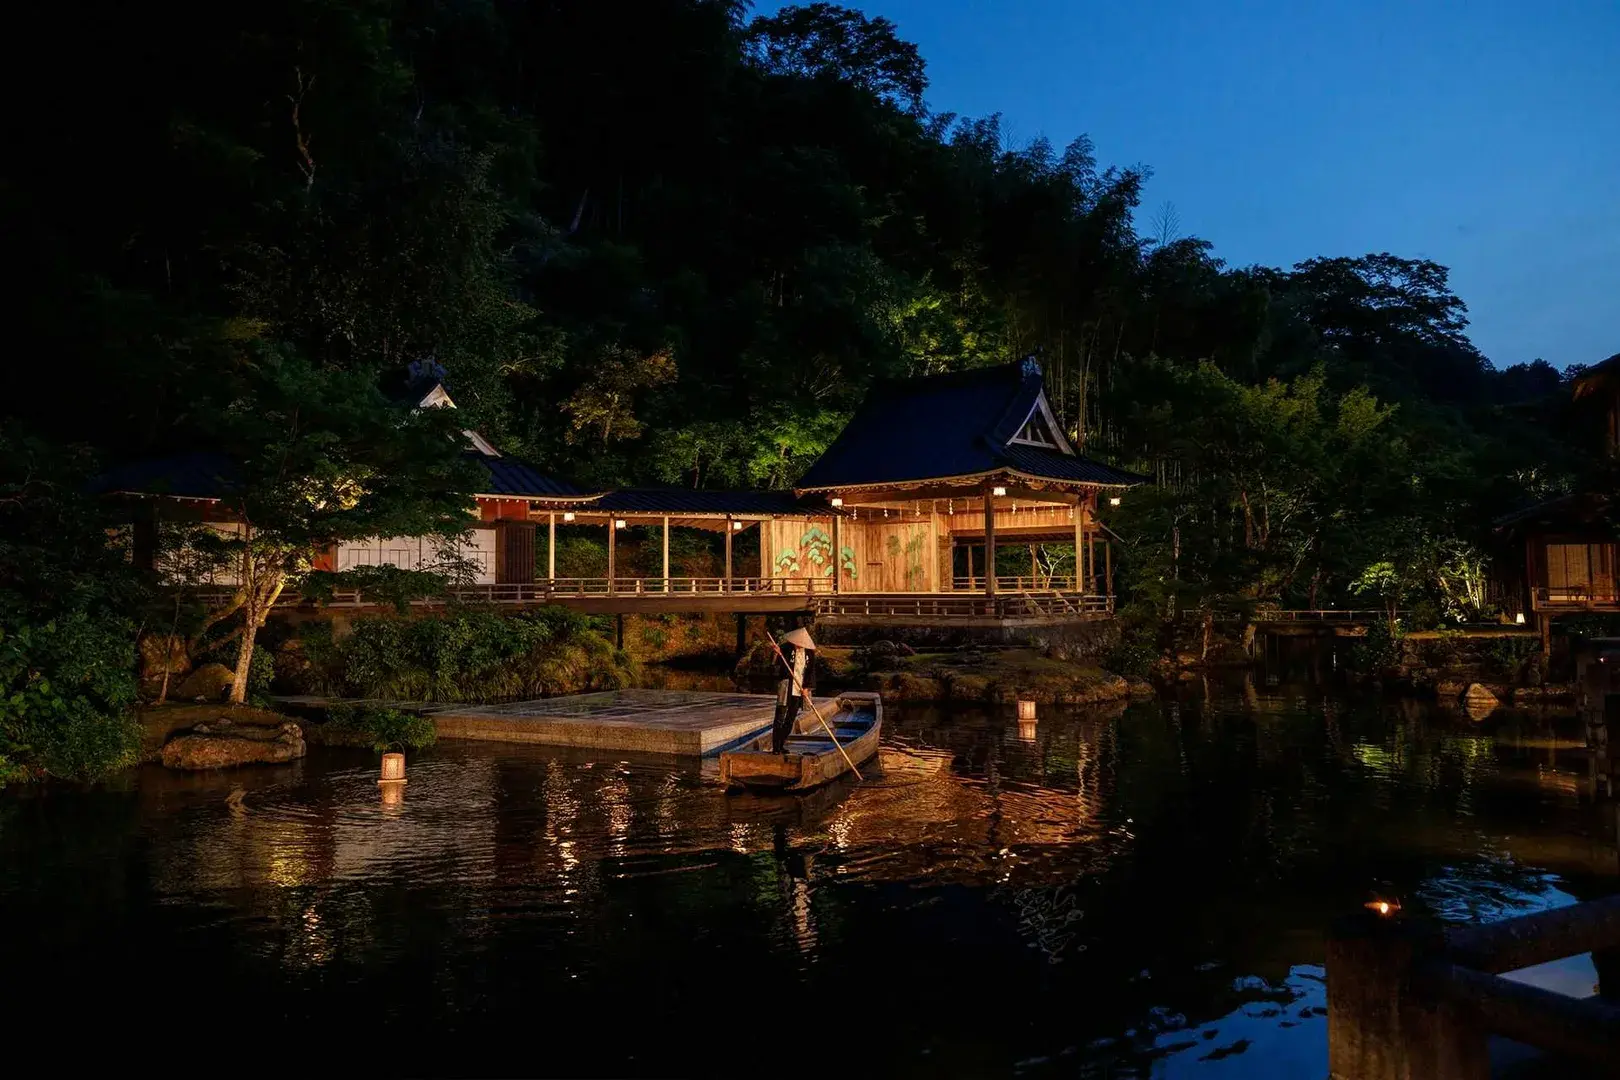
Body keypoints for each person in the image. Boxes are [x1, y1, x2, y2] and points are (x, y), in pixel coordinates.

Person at [771, 627, 817, 752]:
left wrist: (807, 687)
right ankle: (776, 747)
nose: (797, 645)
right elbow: (777, 664)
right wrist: (776, 653)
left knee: (791, 718)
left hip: (799, 688)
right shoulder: (786, 648)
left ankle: (781, 744)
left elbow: (810, 672)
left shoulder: (809, 653)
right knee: (780, 717)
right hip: (786, 686)